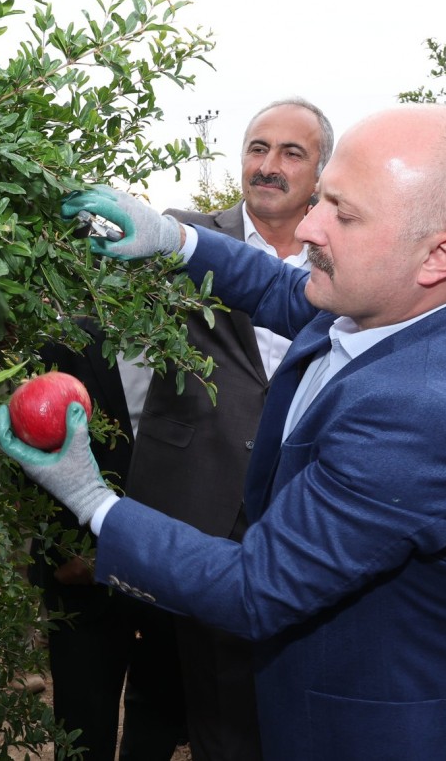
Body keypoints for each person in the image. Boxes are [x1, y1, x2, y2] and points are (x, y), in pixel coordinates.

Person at [0, 104, 446, 760]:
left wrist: (93, 500)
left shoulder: (423, 415)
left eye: (344, 214)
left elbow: (255, 589)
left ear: (440, 254)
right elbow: (284, 294)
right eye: (323, 201)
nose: (309, 228)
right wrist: (175, 240)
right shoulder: (419, 306)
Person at [122, 97, 332, 761]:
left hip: (296, 500)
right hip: (194, 493)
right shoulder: (182, 234)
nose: (268, 167)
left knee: (280, 680)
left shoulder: (340, 257)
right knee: (190, 692)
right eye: (257, 149)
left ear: (321, 172)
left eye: (291, 153)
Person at [31, 319, 187, 760]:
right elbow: (27, 449)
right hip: (81, 571)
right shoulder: (63, 339)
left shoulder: (194, 339)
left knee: (159, 713)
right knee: (82, 725)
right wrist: (66, 547)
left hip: (170, 560)